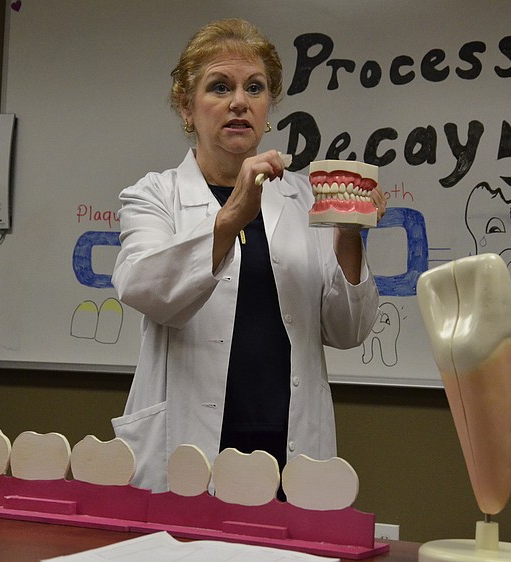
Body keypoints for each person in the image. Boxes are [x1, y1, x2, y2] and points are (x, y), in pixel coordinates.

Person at [110, 18, 386, 492]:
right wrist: (230, 215)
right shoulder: (154, 196)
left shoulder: (305, 199)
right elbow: (144, 288)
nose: (239, 101)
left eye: (254, 88)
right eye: (220, 86)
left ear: (268, 107)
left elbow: (347, 330)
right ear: (186, 107)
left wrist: (347, 234)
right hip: (190, 442)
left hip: (289, 445)